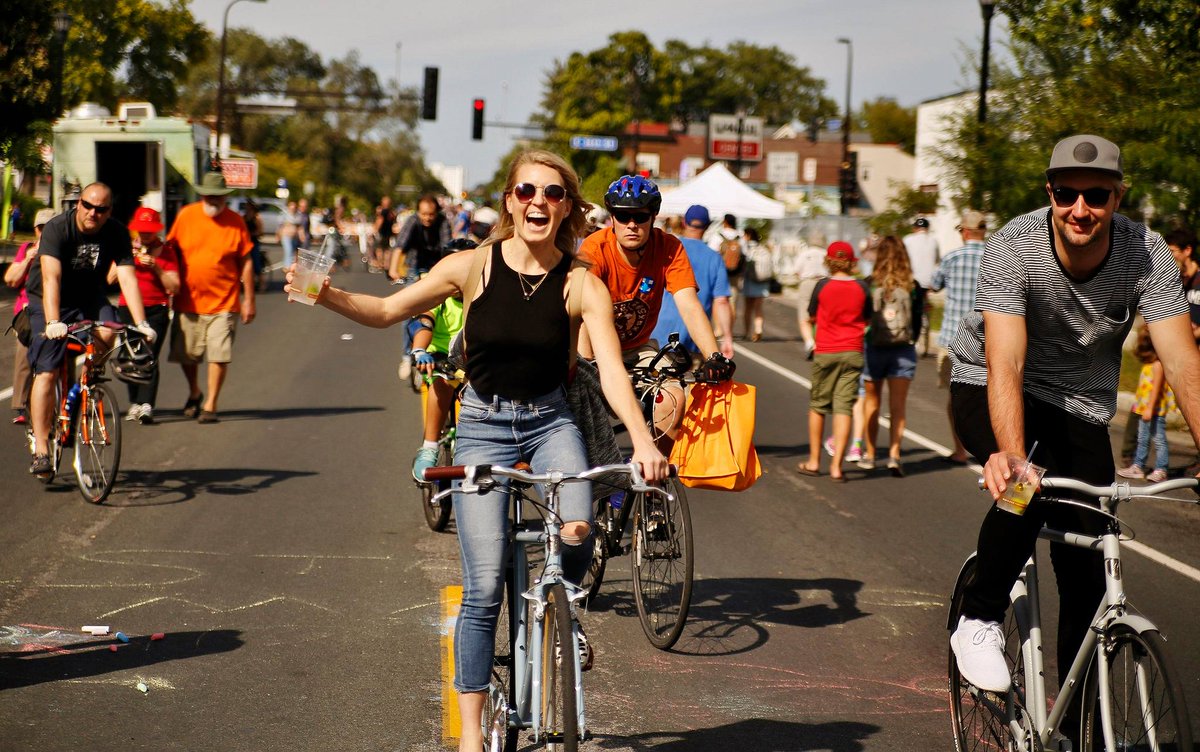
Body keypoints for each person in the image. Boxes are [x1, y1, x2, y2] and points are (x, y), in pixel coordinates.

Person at [288, 149, 669, 752]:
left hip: (550, 422)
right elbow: (389, 310)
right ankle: (470, 736)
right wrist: (327, 294)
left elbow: (615, 374)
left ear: (567, 207)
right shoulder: (470, 266)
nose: (537, 203)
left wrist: (643, 442)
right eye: (525, 192)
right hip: (485, 426)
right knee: (485, 587)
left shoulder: (581, 282)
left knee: (578, 525)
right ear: (509, 202)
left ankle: (564, 601)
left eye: (551, 193)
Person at [947, 136, 1200, 740]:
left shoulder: (1148, 253)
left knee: (1089, 556)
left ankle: (1070, 717)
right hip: (987, 382)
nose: (1080, 208)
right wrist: (1008, 455)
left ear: (1118, 196)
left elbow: (1184, 362)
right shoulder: (1015, 245)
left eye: (1096, 195)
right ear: (1050, 193)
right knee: (1023, 486)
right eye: (1067, 193)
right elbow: (1005, 361)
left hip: (1080, 407)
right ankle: (978, 617)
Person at [577, 175, 735, 442]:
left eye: (640, 217)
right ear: (611, 217)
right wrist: (585, 364)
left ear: (653, 216)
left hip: (639, 347)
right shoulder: (594, 248)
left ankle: (652, 475)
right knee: (584, 416)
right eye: (622, 216)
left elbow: (689, 305)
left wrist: (714, 356)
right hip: (594, 345)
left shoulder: (669, 248)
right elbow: (580, 313)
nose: (631, 225)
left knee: (672, 400)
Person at [24, 183, 156, 475]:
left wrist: (142, 322)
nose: (93, 213)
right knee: (46, 370)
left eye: (101, 209)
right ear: (78, 204)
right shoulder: (58, 228)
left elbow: (127, 278)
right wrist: (52, 321)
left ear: (110, 211)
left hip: (88, 297)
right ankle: (42, 448)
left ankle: (89, 377)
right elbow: (51, 279)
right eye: (87, 206)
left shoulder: (117, 232)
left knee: (109, 331)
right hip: (47, 298)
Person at [167, 171, 256, 424]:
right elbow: (170, 250)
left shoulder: (236, 222)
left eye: (219, 196)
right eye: (209, 195)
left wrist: (249, 298)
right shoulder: (186, 216)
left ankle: (210, 404)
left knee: (219, 354)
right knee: (187, 355)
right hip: (188, 301)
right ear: (202, 194)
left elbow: (246, 261)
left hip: (224, 302)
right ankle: (195, 391)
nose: (213, 200)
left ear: (225, 198)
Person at [797, 241, 871, 482]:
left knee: (818, 405)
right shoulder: (862, 287)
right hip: (853, 351)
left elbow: (811, 315)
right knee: (844, 407)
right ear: (851, 262)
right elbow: (868, 318)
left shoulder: (822, 286)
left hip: (826, 350)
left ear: (828, 261)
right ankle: (837, 467)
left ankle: (814, 460)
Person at [105, 207, 180, 424]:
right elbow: (110, 279)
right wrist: (129, 259)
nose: (145, 235)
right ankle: (135, 402)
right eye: (141, 230)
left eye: (149, 231)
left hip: (156, 308)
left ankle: (147, 404)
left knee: (148, 355)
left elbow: (174, 286)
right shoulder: (126, 249)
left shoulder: (166, 251)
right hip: (127, 308)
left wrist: (156, 267)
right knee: (130, 355)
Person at [409, 238, 476, 481]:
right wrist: (419, 350)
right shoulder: (438, 294)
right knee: (441, 381)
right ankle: (429, 446)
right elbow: (425, 322)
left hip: (473, 358)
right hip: (439, 356)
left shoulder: (484, 293)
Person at [860, 235, 926, 476]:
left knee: (872, 403)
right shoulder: (913, 286)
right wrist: (912, 339)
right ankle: (894, 455)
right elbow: (918, 320)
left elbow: (864, 317)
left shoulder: (869, 283)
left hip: (874, 347)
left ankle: (869, 453)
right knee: (898, 407)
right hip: (902, 350)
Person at [929, 210, 987, 465]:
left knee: (956, 397)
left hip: (954, 338)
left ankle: (960, 449)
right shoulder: (997, 258)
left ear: (964, 232)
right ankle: (989, 449)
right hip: (989, 338)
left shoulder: (952, 258)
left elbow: (934, 284)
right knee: (989, 396)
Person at [650, 204, 734, 362]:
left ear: (683, 222)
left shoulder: (668, 250)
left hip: (658, 334)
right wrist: (727, 337)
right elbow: (721, 301)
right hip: (694, 337)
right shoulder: (714, 258)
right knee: (690, 383)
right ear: (707, 226)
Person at [390, 194, 452, 381]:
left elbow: (447, 248)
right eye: (424, 214)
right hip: (415, 268)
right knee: (408, 311)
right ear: (418, 212)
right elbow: (400, 246)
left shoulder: (443, 223)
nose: (427, 218)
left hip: (437, 268)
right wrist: (393, 268)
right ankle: (406, 357)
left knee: (441, 309)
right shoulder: (412, 222)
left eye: (431, 214)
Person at [5, 208, 56, 425]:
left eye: (49, 228)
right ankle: (22, 404)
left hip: (56, 309)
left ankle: (64, 403)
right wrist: (27, 259)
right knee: (25, 355)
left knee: (61, 358)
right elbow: (11, 280)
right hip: (27, 311)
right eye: (40, 228)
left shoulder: (61, 249)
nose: (44, 233)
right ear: (35, 229)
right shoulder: (27, 249)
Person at [1116, 325, 1174, 483]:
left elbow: (1156, 389)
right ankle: (1138, 466)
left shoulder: (1158, 365)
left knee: (1158, 439)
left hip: (1153, 411)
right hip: (1143, 409)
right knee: (1142, 439)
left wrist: (1149, 408)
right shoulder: (1150, 364)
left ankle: (1161, 469)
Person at [903, 216, 939, 356]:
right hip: (928, 282)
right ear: (927, 228)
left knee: (910, 309)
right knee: (925, 311)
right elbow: (936, 259)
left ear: (915, 228)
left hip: (912, 281)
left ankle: (913, 340)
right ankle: (924, 343)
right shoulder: (934, 241)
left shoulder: (908, 239)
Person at [794, 239, 828, 359]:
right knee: (821, 314)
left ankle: (810, 343)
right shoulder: (825, 253)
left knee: (804, 316)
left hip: (807, 282)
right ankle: (820, 342)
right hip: (824, 283)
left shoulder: (805, 253)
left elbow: (797, 270)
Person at [740, 227, 772, 341]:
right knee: (758, 307)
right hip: (762, 282)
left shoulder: (746, 248)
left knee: (748, 307)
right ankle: (758, 330)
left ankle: (746, 332)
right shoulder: (763, 249)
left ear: (748, 235)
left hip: (750, 281)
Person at [372, 195, 397, 273]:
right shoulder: (391, 211)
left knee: (379, 249)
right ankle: (387, 265)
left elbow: (380, 220)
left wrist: (375, 229)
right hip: (389, 232)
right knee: (387, 249)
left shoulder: (383, 211)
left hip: (382, 232)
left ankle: (380, 264)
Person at [279, 200, 301, 272]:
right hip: (286, 236)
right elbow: (280, 226)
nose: (293, 208)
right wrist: (278, 235)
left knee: (291, 252)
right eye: (291, 206)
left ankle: (286, 266)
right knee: (288, 250)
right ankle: (287, 267)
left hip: (294, 237)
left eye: (294, 207)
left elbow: (299, 227)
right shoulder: (285, 215)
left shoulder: (297, 215)